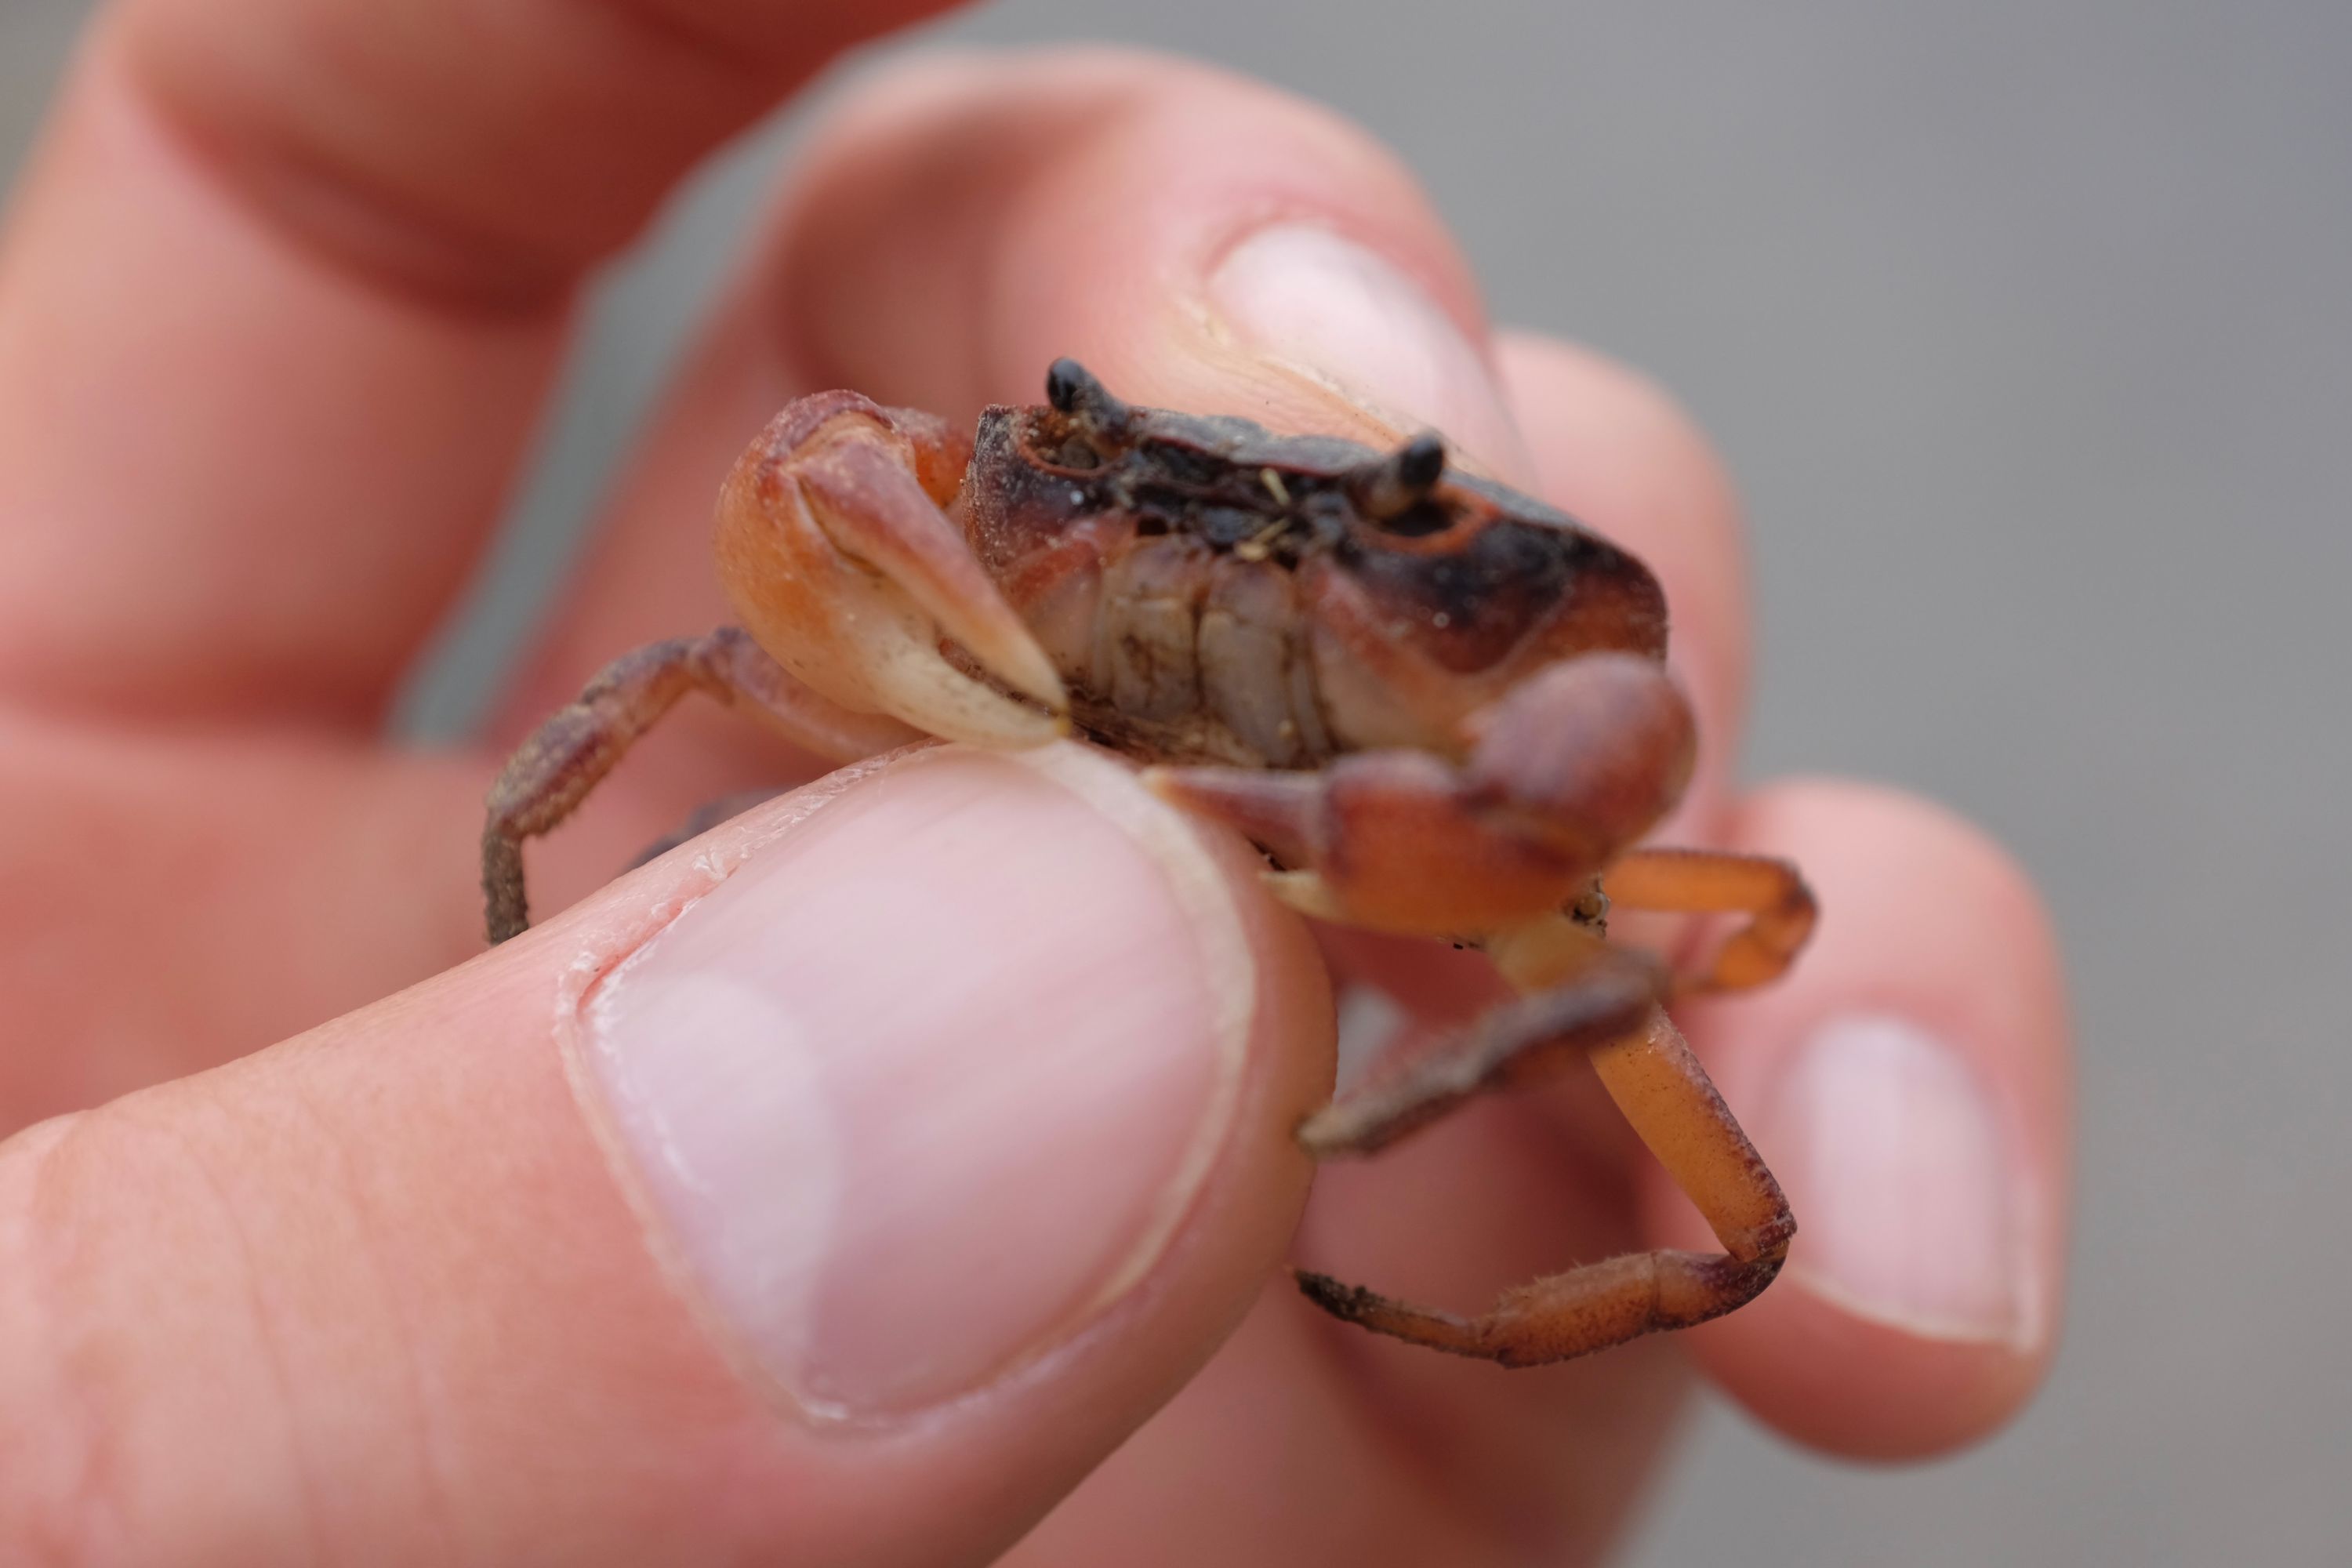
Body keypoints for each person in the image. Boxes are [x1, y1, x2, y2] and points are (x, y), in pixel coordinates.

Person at [0, 2, 2071, 1560]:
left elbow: (1727, 1017)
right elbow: (782, 523)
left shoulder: (1556, 817)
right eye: (1103, 474)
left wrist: (1457, 1158)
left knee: (1731, 1155)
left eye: (1373, 535)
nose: (1219, 580)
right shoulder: (977, 520)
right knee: (705, 658)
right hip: (1023, 715)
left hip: (1442, 857)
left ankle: (1448, 1294)